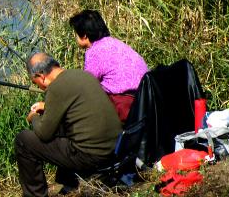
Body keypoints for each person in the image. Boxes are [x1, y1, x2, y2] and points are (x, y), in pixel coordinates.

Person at [15, 53, 122, 197]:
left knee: (24, 140)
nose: (40, 87)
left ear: (41, 76)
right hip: (114, 147)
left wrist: (34, 117)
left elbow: (43, 133)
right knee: (60, 125)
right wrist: (47, 107)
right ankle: (68, 180)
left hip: (91, 156)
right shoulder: (82, 75)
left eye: (36, 83)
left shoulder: (56, 88)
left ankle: (35, 195)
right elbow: (77, 108)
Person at [69, 10, 149, 122]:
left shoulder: (94, 52)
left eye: (76, 34)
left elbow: (87, 85)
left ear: (85, 36)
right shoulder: (115, 43)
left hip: (126, 105)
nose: (75, 37)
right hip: (145, 99)